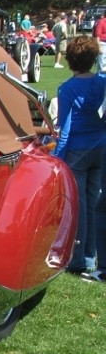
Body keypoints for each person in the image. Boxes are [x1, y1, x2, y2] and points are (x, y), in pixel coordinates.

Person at [52, 35, 106, 280]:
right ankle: (92, 254)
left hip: (78, 150)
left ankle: (78, 258)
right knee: (95, 203)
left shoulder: (68, 89)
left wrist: (57, 157)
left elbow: (65, 129)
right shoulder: (102, 83)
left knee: (79, 205)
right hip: (101, 147)